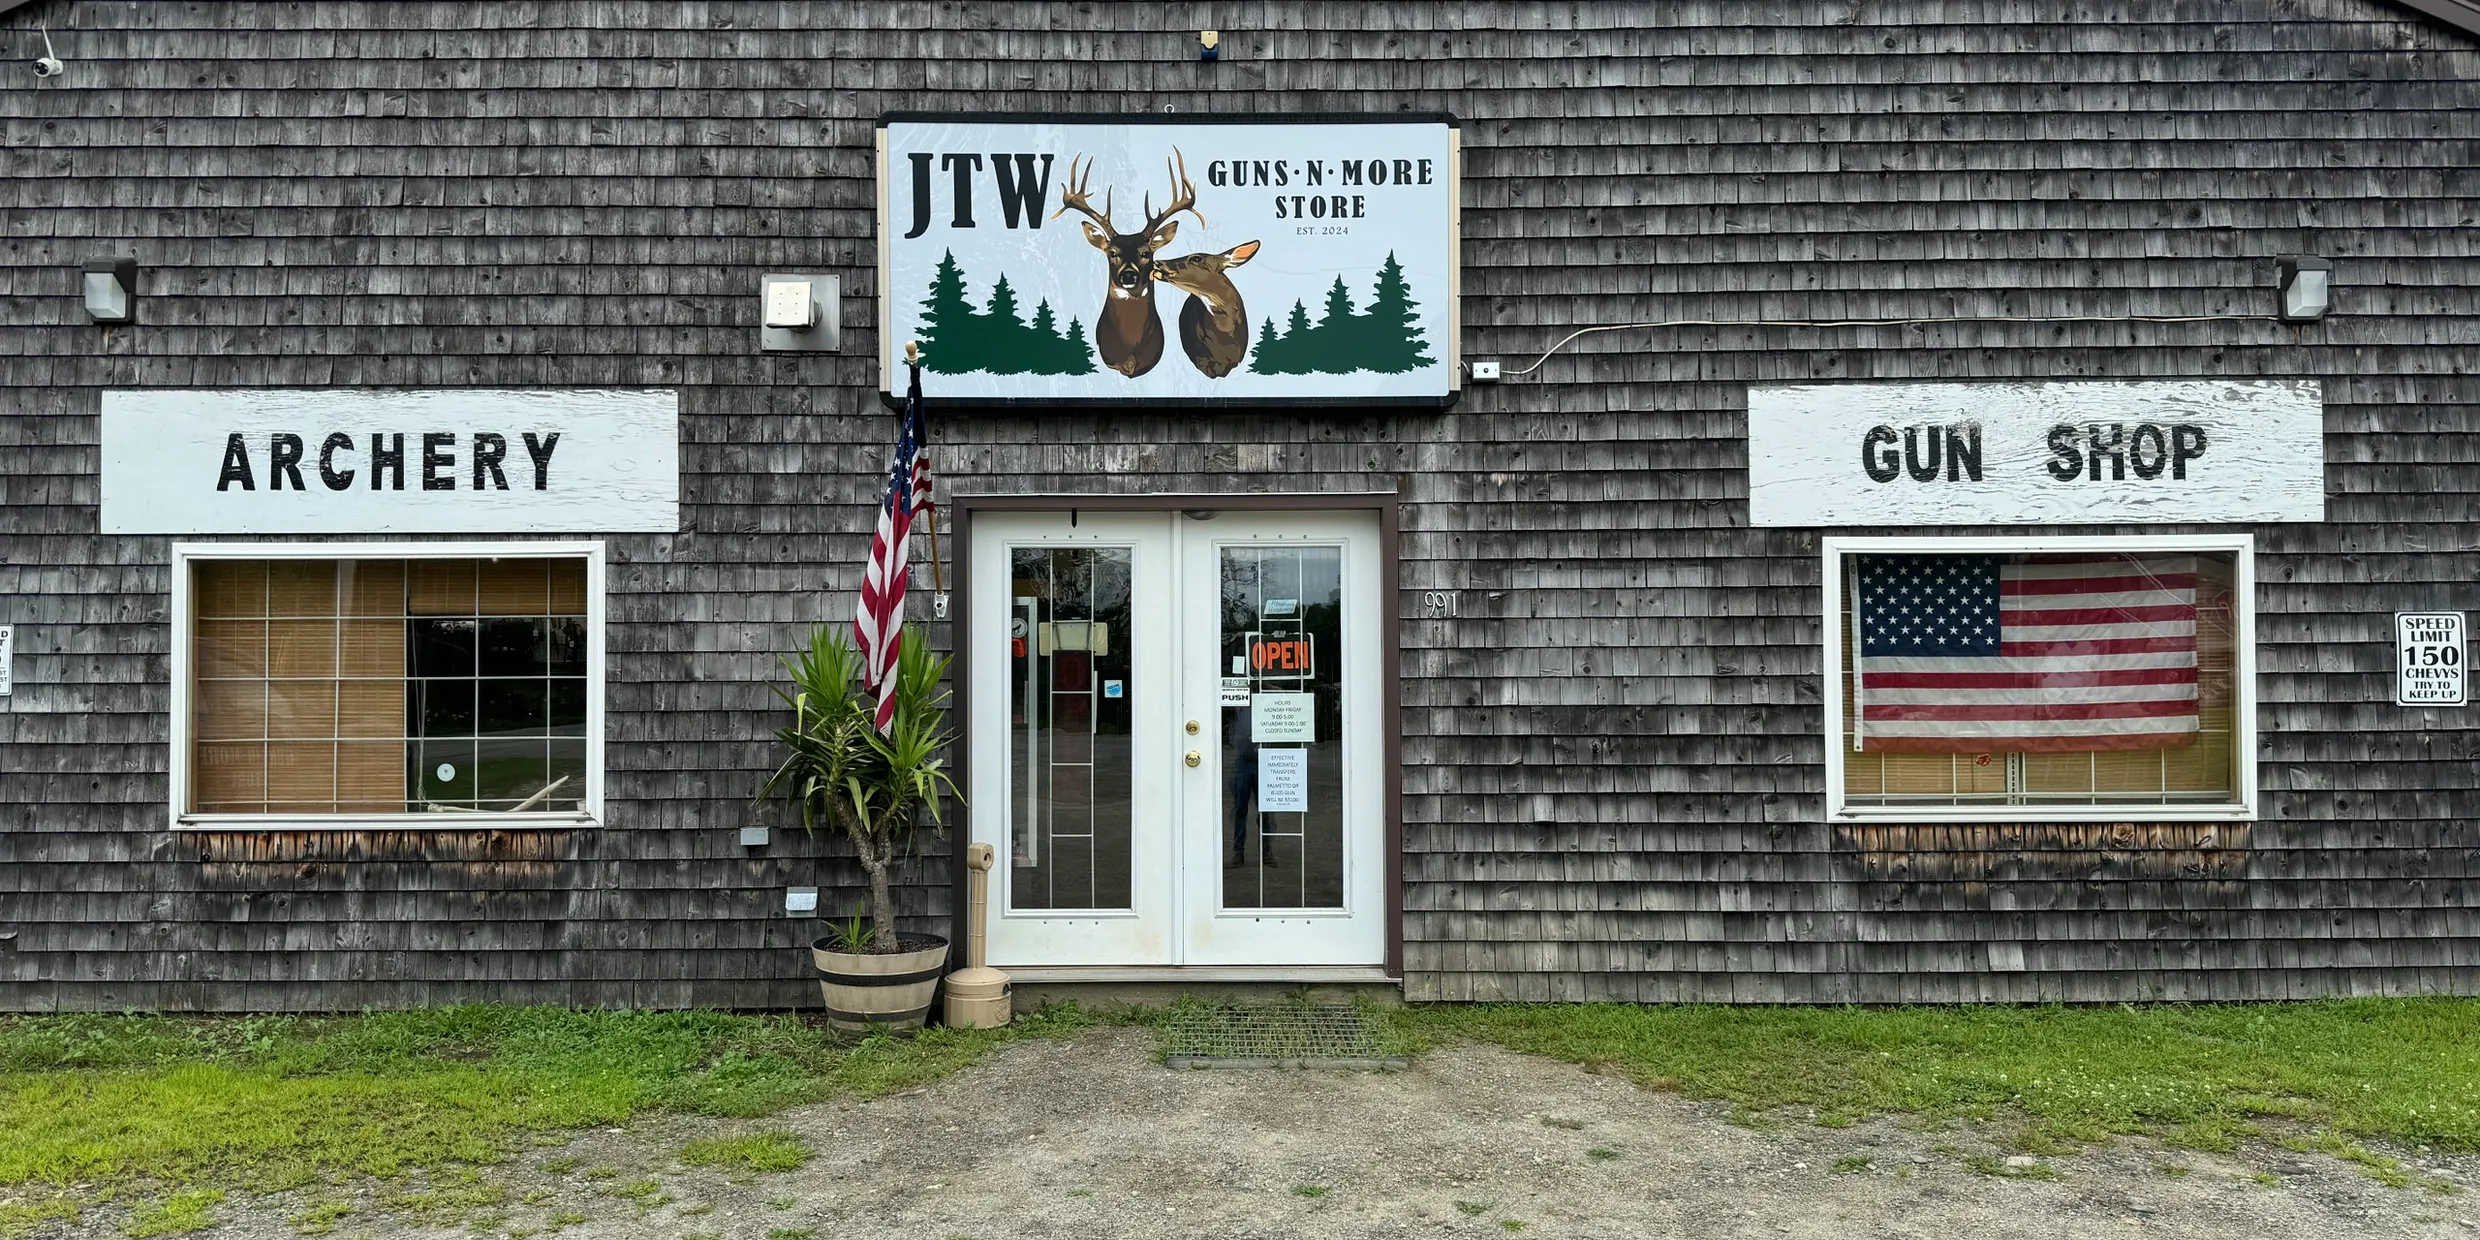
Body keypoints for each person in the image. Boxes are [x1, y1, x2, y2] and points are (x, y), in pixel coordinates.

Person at [1225, 706, 1274, 866]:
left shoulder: (1266, 704)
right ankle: (1238, 852)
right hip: (1243, 761)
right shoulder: (1236, 707)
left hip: (1263, 760)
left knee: (1265, 810)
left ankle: (1266, 851)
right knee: (1240, 808)